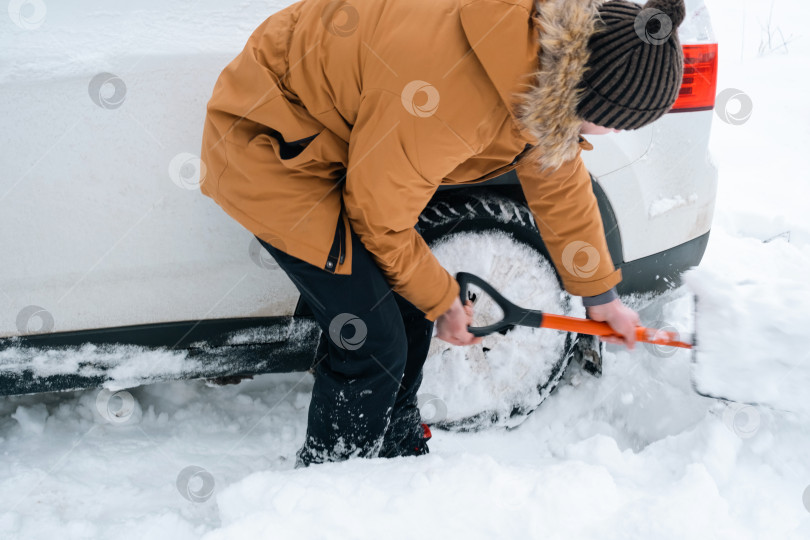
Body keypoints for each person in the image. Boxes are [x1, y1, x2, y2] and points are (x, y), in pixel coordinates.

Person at [199, 0, 686, 465]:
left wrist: (601, 295)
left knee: (405, 304)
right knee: (372, 337)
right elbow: (378, 217)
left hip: (350, 139)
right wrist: (444, 302)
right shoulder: (455, 97)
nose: (620, 134)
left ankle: (395, 446)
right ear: (588, 96)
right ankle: (333, 478)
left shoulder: (542, 58)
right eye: (618, 123)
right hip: (273, 142)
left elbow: (558, 181)